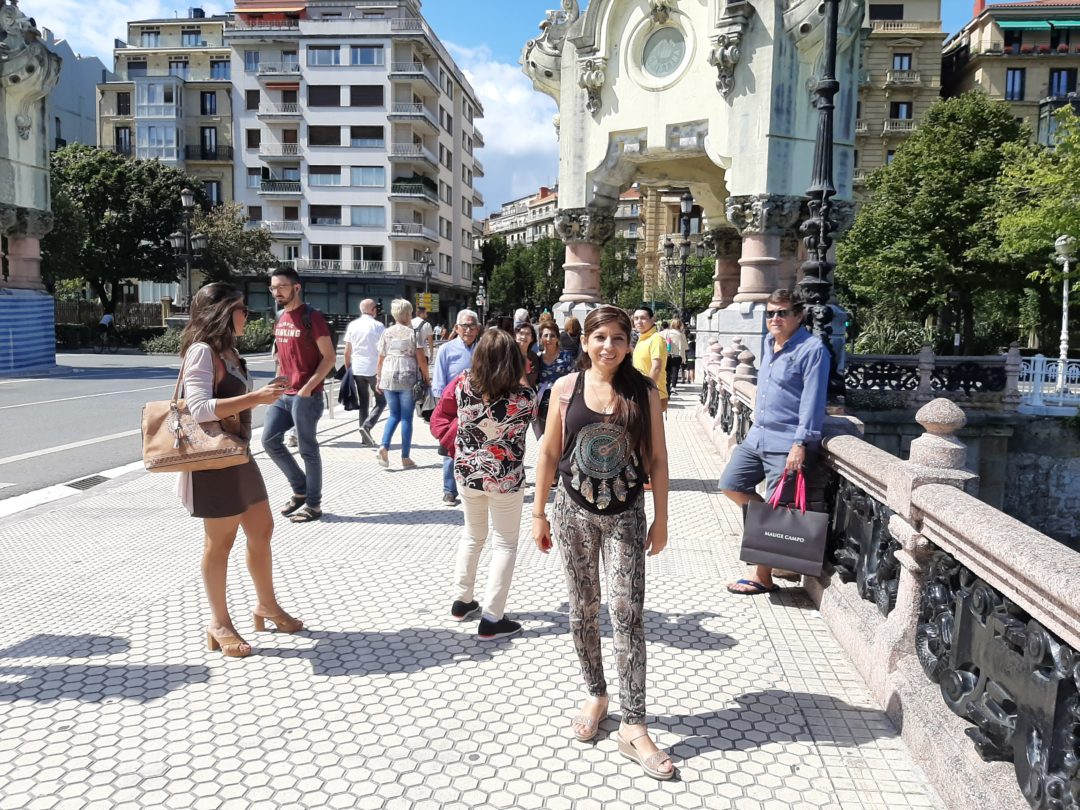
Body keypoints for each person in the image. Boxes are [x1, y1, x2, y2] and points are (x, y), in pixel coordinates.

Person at [532, 306, 673, 780]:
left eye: (617, 338)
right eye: (599, 338)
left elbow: (657, 456)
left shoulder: (643, 391)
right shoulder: (565, 389)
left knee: (628, 613)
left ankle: (634, 724)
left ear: (629, 343)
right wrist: (538, 513)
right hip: (572, 513)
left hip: (627, 515)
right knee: (582, 610)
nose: (608, 346)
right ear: (586, 342)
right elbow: (550, 451)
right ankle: (597, 692)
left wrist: (663, 518)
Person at [178, 283, 303, 658]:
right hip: (214, 461)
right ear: (222, 312)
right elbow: (198, 408)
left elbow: (231, 398)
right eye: (242, 309)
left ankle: (266, 605)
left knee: (262, 529)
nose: (248, 315)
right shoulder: (201, 352)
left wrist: (267, 390)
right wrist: (255, 397)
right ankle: (218, 622)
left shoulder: (228, 351)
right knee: (220, 543)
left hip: (238, 454)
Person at [720, 289, 829, 595]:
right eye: (770, 313)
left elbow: (812, 400)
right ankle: (765, 531)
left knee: (777, 507)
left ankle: (762, 576)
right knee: (731, 483)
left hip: (786, 441)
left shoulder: (812, 349)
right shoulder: (770, 343)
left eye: (782, 312)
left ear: (799, 315)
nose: (775, 319)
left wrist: (800, 443)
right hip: (757, 435)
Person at [436, 329, 536, 639]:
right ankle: (493, 618)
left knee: (472, 536)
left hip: (467, 473)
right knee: (504, 543)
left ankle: (462, 601)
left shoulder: (464, 384)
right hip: (504, 478)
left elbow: (444, 408)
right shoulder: (525, 398)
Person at [262, 267, 337, 523]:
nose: (276, 292)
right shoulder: (280, 317)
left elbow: (329, 358)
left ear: (296, 287)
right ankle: (301, 488)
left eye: (281, 286)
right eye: (273, 287)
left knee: (308, 449)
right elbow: (281, 358)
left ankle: (314, 505)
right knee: (269, 440)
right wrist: (277, 385)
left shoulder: (311, 317)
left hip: (306, 396)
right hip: (284, 394)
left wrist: (307, 389)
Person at [432, 309, 481, 505]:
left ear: (478, 329)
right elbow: (438, 379)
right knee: (450, 447)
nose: (468, 330)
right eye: (464, 326)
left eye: (472, 326)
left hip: (478, 406)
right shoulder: (447, 349)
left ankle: (473, 488)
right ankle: (449, 490)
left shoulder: (483, 349)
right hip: (452, 405)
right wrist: (439, 406)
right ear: (456, 328)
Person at [375, 298, 430, 469]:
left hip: (389, 375)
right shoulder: (413, 333)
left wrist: (378, 378)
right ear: (407, 314)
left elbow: (380, 357)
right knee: (407, 418)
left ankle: (384, 446)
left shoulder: (387, 332)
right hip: (407, 375)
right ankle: (405, 457)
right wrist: (427, 378)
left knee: (393, 415)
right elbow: (421, 359)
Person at [343, 298, 385, 447]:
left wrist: (348, 368)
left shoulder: (353, 325)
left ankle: (365, 438)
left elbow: (347, 351)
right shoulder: (379, 326)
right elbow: (383, 350)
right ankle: (367, 425)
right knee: (381, 401)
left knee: (364, 403)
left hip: (357, 368)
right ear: (373, 310)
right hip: (374, 369)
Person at [534, 320, 575, 438]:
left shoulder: (566, 357)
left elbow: (574, 379)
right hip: (543, 404)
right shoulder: (538, 358)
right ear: (541, 338)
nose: (549, 339)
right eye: (545, 335)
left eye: (552, 335)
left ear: (557, 338)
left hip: (562, 402)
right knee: (547, 436)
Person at [632, 307, 668, 412]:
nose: (639, 322)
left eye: (643, 318)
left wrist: (647, 391)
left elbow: (656, 367)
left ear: (652, 319)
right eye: (636, 318)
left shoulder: (656, 339)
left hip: (653, 394)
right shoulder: (643, 338)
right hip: (641, 391)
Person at [661, 318, 689, 394]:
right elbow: (686, 347)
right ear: (680, 325)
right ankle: (673, 387)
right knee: (675, 371)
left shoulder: (667, 333)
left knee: (667, 371)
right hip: (677, 355)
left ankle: (666, 386)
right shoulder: (681, 334)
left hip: (667, 354)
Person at [515, 321, 541, 389]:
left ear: (532, 339)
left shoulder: (533, 357)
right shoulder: (509, 354)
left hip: (528, 392)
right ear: (515, 335)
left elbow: (532, 379)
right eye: (521, 333)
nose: (524, 337)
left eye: (527, 334)